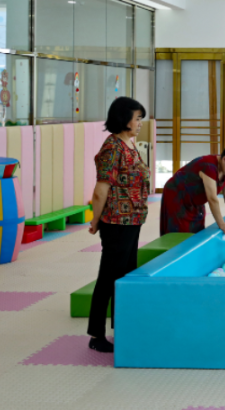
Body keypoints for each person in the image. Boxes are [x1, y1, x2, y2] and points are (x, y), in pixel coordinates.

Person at [87, 97, 150, 353]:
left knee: (125, 276)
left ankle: (122, 328)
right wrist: (95, 219)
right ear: (124, 120)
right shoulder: (112, 148)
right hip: (116, 222)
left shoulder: (129, 144)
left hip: (132, 221)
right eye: (137, 119)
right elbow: (101, 189)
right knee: (108, 278)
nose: (140, 123)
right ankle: (96, 335)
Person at [159, 145, 225, 236]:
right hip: (177, 193)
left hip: (194, 197)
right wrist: (221, 224)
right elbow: (212, 199)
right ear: (224, 159)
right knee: (180, 231)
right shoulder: (209, 166)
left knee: (197, 228)